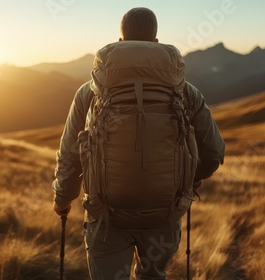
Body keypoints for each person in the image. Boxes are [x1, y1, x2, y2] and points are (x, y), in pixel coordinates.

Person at [52, 7, 225, 279]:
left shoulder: (89, 92)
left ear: (121, 41)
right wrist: (187, 181)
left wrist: (63, 197)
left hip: (106, 216)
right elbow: (214, 152)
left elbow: (70, 153)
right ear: (156, 42)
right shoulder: (186, 92)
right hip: (164, 214)